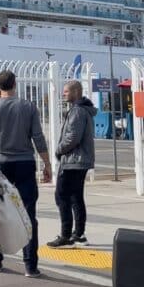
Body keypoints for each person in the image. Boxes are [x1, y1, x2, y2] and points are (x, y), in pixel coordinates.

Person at [0, 70, 52, 276]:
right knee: (28, 213)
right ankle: (30, 264)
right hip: (24, 162)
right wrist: (47, 163)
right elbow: (38, 137)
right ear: (15, 84)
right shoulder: (28, 107)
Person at [48, 80, 96, 248]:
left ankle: (66, 235)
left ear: (76, 92)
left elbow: (72, 138)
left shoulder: (77, 111)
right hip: (80, 161)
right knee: (76, 197)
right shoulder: (84, 110)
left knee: (61, 195)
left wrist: (59, 150)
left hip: (73, 161)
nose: (64, 94)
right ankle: (79, 234)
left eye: (66, 91)